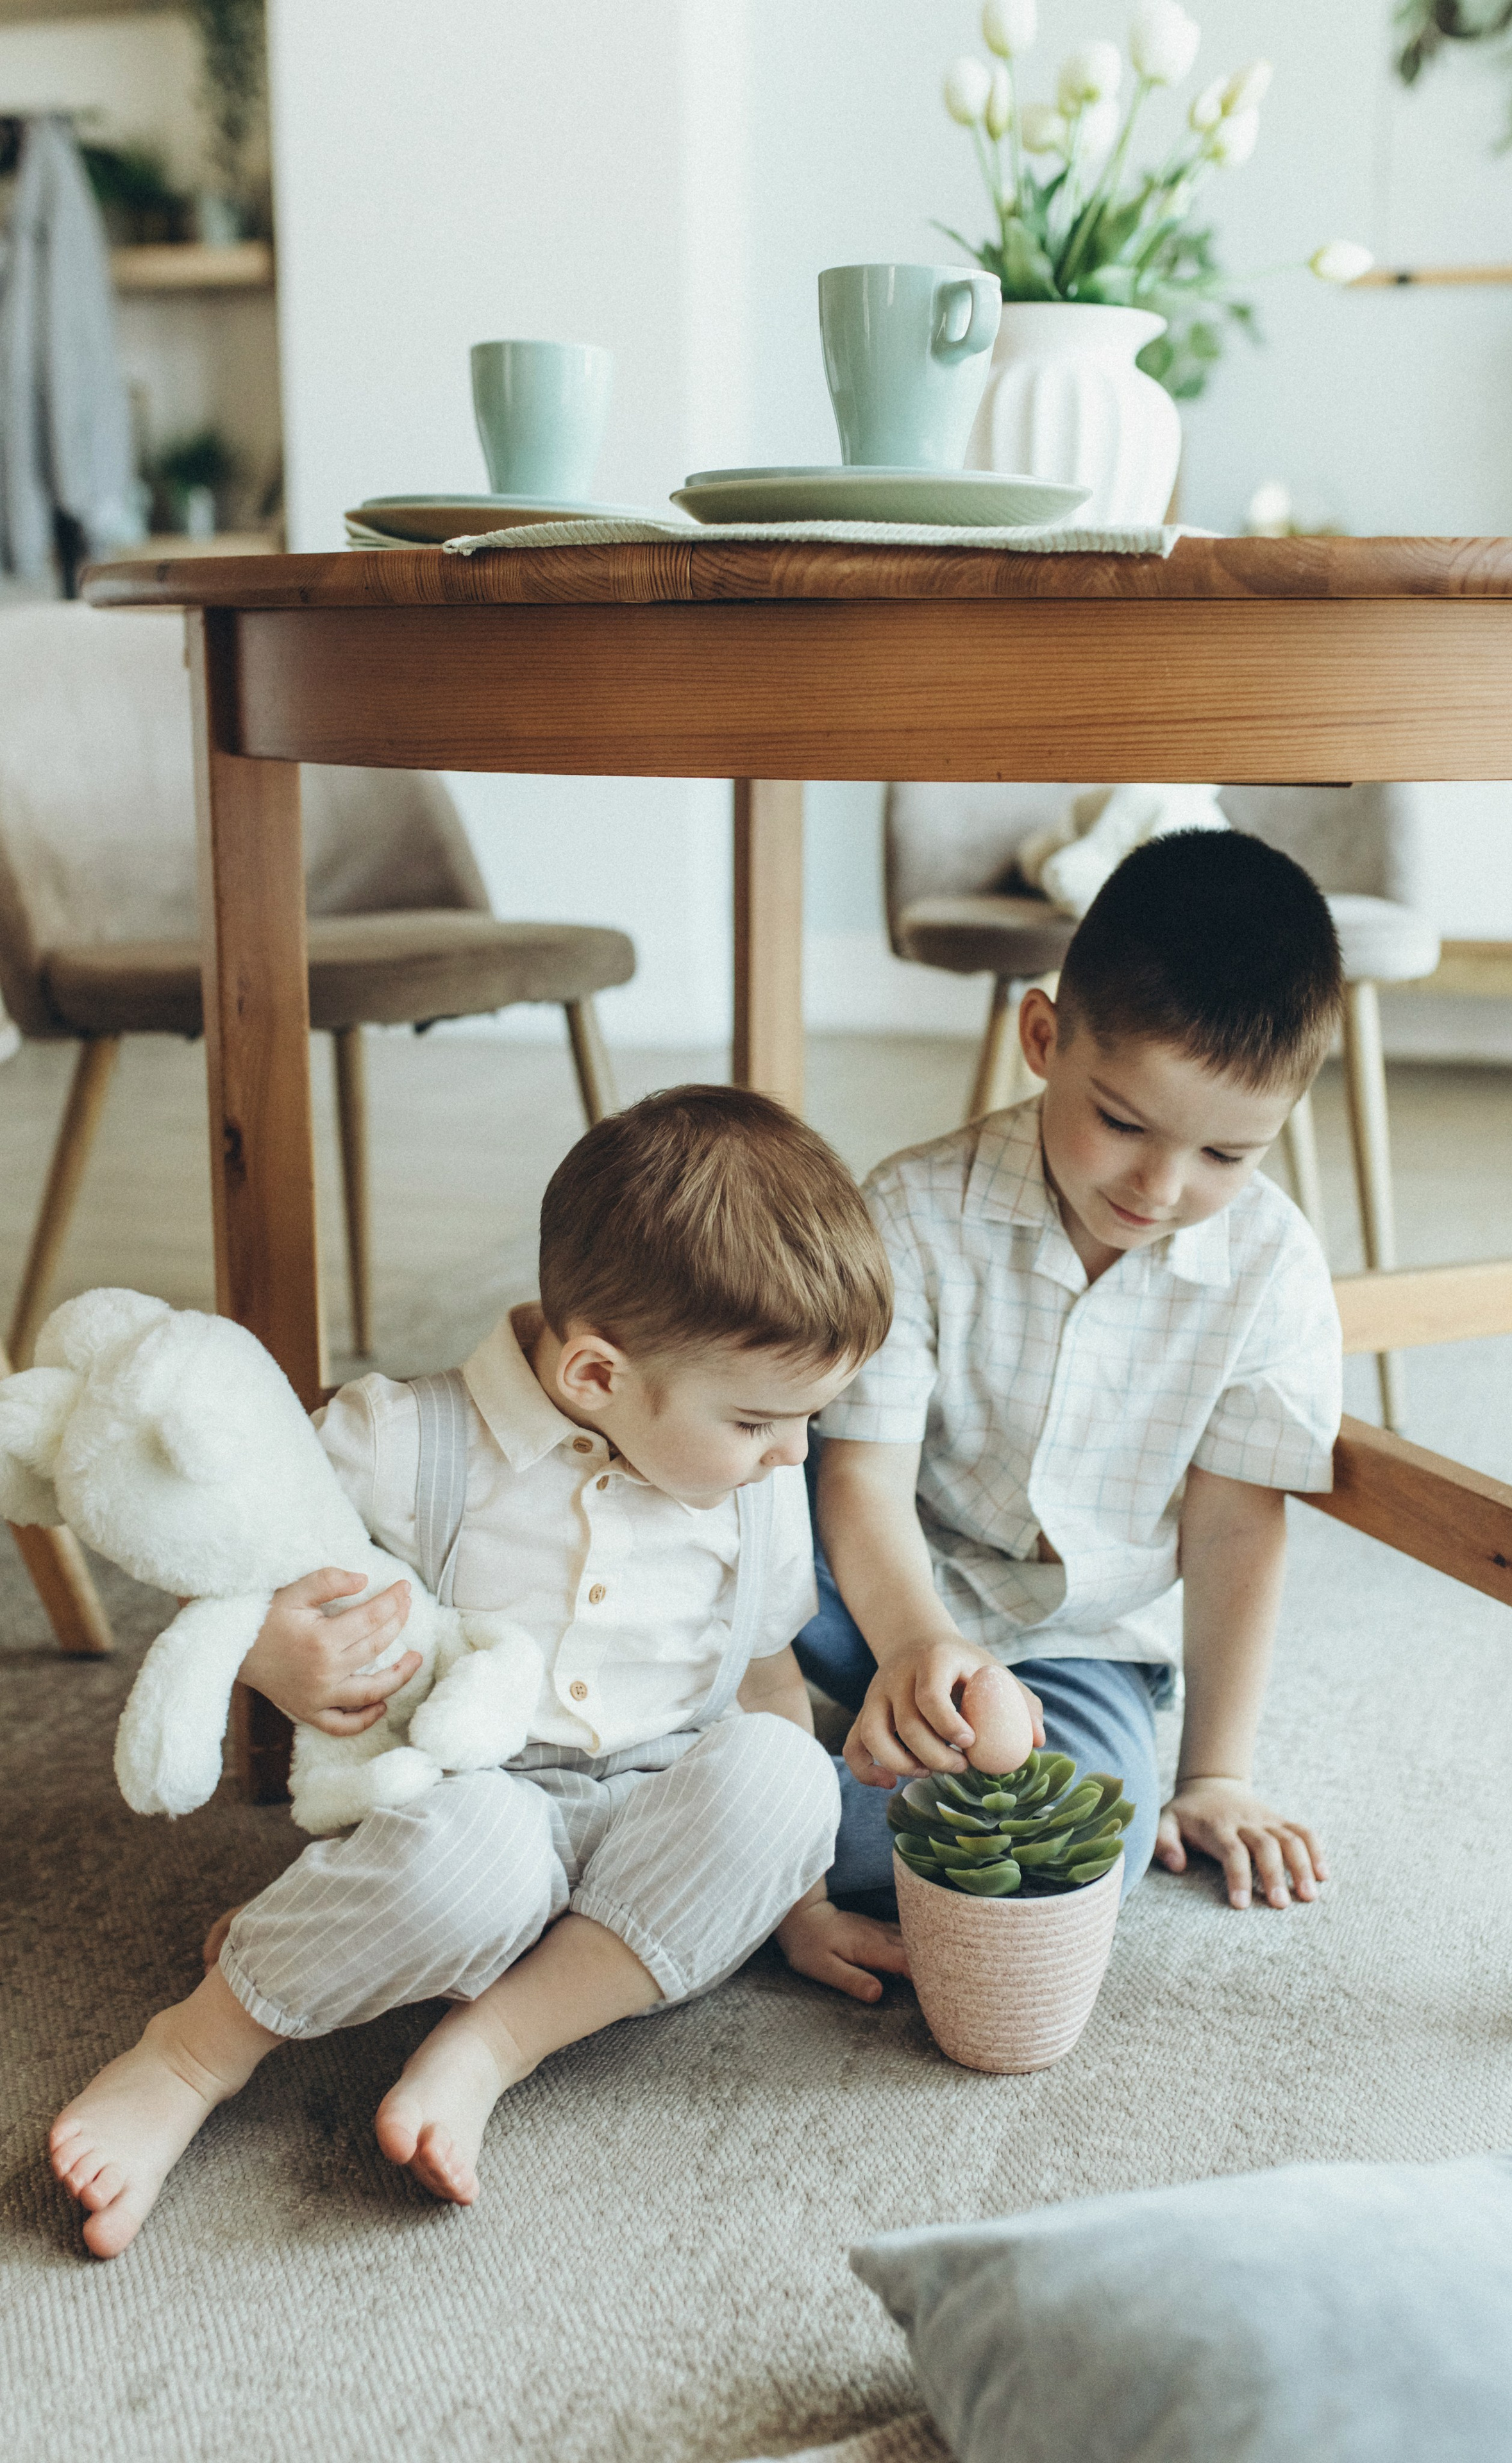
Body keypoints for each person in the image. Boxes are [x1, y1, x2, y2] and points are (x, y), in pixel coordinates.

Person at [49, 1087, 902, 2259]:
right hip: (464, 1803)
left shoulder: (754, 1493)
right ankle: (193, 2052)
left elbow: (760, 1683)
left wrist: (792, 1901)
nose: (796, 1452)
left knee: (788, 1780)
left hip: (653, 1822)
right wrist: (277, 1657)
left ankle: (493, 2042)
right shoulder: (402, 1439)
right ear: (597, 1376)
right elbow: (239, 1560)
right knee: (479, 1865)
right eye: (761, 1420)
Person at [800, 828, 1344, 1924]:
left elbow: (1238, 1527)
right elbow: (857, 1480)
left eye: (1227, 1157)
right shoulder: (912, 1212)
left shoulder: (1271, 1269)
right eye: (1122, 1122)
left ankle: (749, 1824)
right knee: (729, 1509)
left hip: (1067, 1644)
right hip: (869, 1586)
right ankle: (729, 1769)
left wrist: (1216, 1775)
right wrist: (912, 1645)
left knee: (1101, 1831)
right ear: (1043, 1036)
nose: (1161, 1184)